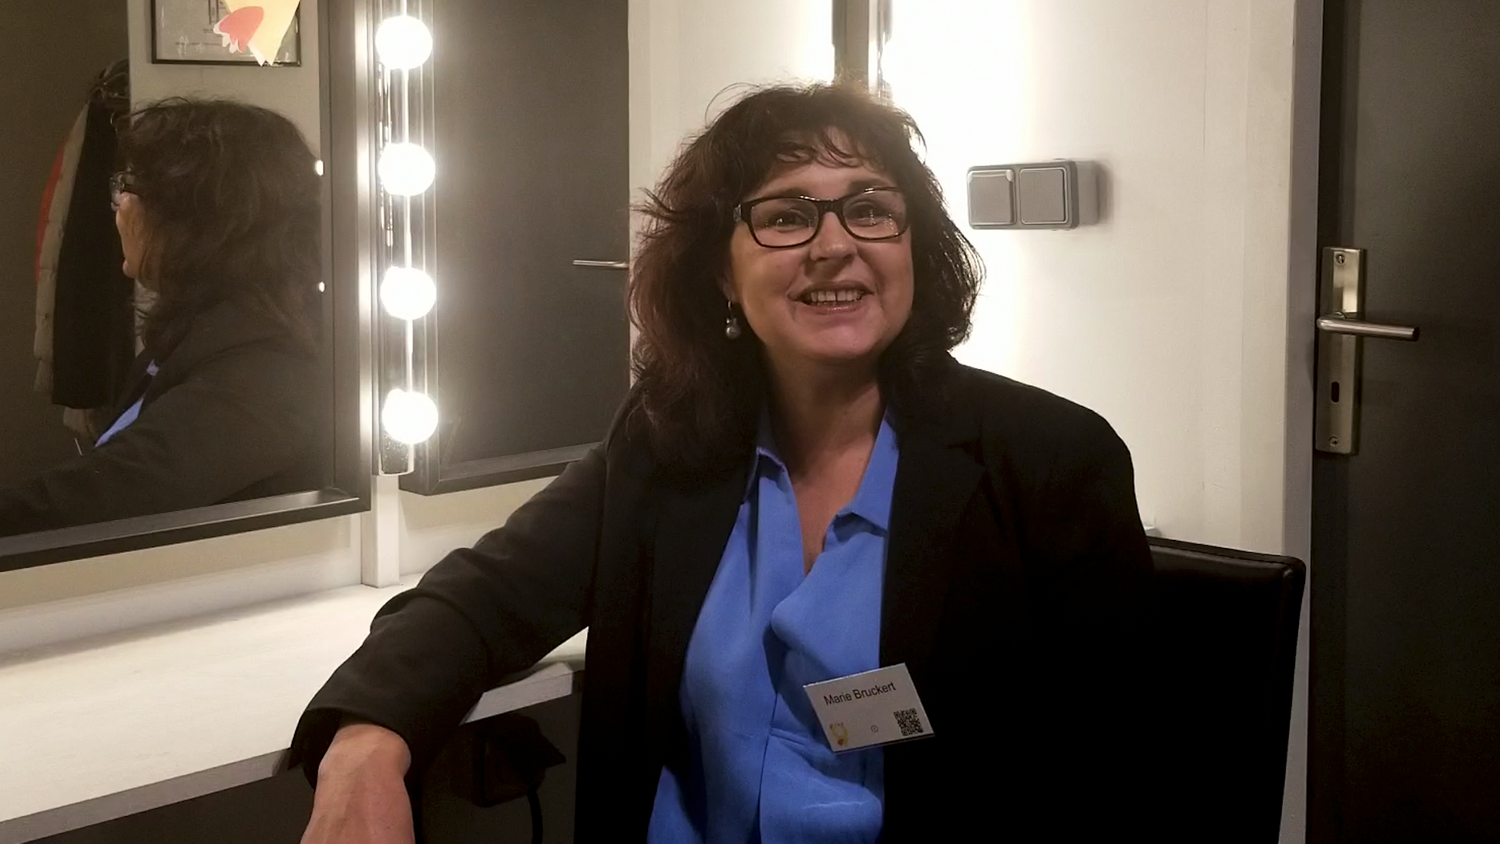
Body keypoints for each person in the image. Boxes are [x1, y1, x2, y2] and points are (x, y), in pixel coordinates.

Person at [294, 83, 1152, 842]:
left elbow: (1112, 777)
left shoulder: (1046, 461)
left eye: (869, 209)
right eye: (785, 216)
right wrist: (365, 748)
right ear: (720, 273)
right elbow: (484, 596)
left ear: (912, 248)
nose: (834, 243)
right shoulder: (667, 444)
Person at [0, 98, 325, 537]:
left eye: (129, 187)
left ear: (196, 218)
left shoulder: (267, 373)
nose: (119, 205)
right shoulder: (204, 328)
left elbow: (107, 495)